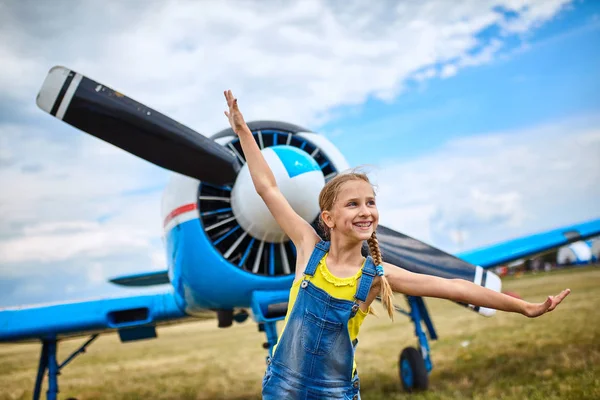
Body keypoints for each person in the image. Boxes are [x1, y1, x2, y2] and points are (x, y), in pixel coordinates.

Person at [222, 90, 571, 400]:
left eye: (370, 202)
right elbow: (268, 188)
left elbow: (454, 287)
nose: (366, 211)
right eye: (353, 204)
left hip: (335, 393)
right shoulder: (306, 246)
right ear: (327, 218)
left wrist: (523, 307)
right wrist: (242, 131)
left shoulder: (376, 275)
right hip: (282, 387)